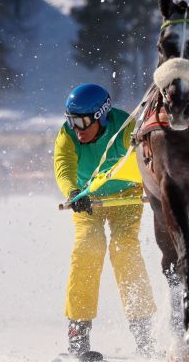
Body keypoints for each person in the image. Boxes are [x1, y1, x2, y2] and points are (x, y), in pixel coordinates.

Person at [54, 83, 157, 358]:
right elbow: (63, 165)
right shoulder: (68, 134)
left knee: (124, 248)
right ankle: (78, 333)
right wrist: (73, 192)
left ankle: (143, 330)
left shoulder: (124, 127)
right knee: (89, 246)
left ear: (101, 115)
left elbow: (148, 157)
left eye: (82, 122)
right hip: (87, 200)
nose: (76, 128)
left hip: (126, 196)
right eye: (71, 121)